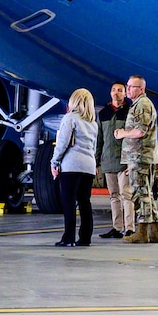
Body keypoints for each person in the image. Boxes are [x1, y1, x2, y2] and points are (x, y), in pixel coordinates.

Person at [116, 75, 158, 243]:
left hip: (140, 156)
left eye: (132, 87)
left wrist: (123, 133)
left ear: (141, 89)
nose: (128, 89)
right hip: (140, 156)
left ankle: (142, 232)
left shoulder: (142, 105)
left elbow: (140, 131)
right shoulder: (139, 104)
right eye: (127, 86)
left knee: (140, 194)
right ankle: (155, 232)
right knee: (146, 194)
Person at [49, 88, 98, 247]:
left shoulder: (70, 118)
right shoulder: (93, 123)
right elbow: (94, 147)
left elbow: (62, 143)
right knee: (85, 202)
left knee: (69, 202)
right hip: (88, 166)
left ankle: (68, 237)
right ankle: (85, 237)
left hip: (72, 165)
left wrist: (54, 162)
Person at [95, 82, 130, 238]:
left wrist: (132, 161)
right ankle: (117, 227)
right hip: (108, 161)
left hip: (124, 162)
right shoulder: (103, 113)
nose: (116, 93)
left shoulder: (129, 112)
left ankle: (129, 227)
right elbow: (99, 139)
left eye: (120, 90)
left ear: (125, 93)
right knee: (114, 196)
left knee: (126, 195)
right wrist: (96, 161)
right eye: (114, 90)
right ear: (110, 93)